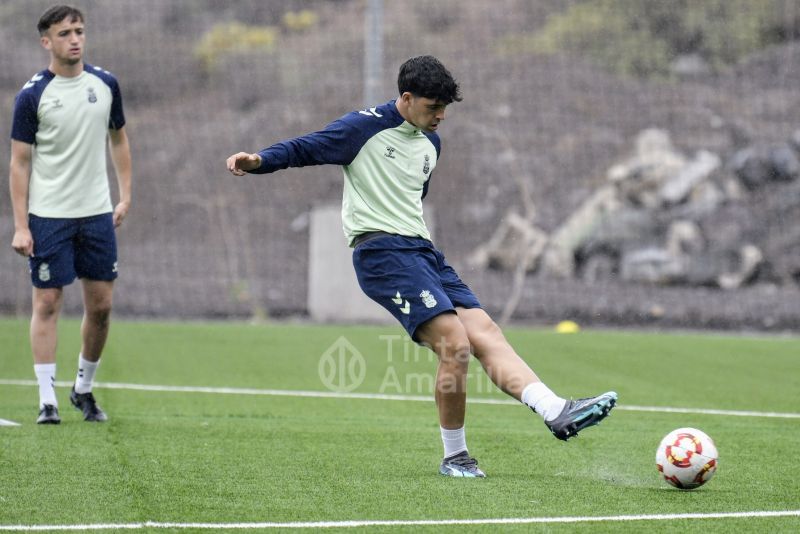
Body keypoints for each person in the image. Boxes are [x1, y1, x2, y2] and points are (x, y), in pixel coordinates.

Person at [226, 55, 616, 477]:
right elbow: (306, 147)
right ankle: (455, 457)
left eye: (445, 109)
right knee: (455, 344)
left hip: (423, 252)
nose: (441, 116)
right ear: (407, 99)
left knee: (484, 332)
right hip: (381, 253)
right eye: (433, 107)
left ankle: (555, 409)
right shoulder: (362, 128)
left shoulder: (432, 144)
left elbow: (412, 196)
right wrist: (260, 160)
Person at [9, 5, 131, 424]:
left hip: (96, 214)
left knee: (101, 306)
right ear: (47, 41)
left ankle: (83, 389)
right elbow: (19, 163)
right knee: (47, 301)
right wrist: (22, 225)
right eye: (64, 33)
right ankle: (47, 400)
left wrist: (125, 194)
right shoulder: (32, 95)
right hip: (48, 217)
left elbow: (118, 140)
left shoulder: (106, 83)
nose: (74, 39)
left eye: (79, 31)